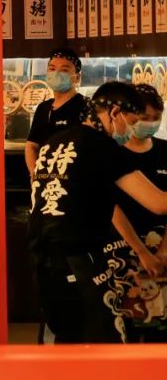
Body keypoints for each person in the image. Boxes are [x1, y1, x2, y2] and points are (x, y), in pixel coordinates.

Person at [28, 82, 167, 343]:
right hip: (80, 260)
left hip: (42, 259)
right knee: (101, 340)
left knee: (64, 339)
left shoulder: (53, 143)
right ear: (115, 113)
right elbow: (159, 203)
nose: (131, 131)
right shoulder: (103, 147)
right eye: (132, 122)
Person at [105, 84, 167, 337]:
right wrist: (141, 252)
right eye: (143, 117)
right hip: (120, 249)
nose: (149, 123)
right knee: (124, 327)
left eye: (156, 117)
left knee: (159, 327)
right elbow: (110, 207)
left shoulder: (165, 150)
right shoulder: (112, 152)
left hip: (161, 251)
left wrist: (163, 251)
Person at [25, 48, 88, 174]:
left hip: (75, 179)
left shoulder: (86, 106)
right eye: (52, 69)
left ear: (77, 77)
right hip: (45, 180)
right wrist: (34, 174)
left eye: (64, 70)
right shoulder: (43, 108)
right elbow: (31, 146)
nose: (56, 73)